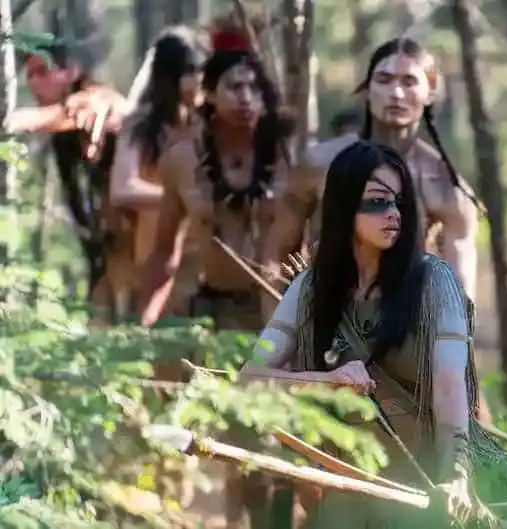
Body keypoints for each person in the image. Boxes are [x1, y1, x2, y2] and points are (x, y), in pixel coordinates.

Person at [241, 140, 507, 529]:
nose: (393, 213)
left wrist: (456, 477)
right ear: (344, 206)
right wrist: (326, 381)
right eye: (377, 202)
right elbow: (250, 379)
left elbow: (449, 386)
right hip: (356, 490)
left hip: (439, 487)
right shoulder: (309, 289)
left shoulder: (435, 282)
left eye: (399, 202)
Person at [263, 37, 494, 424]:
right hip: (321, 328)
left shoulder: (447, 187)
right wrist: (282, 335)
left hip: (402, 341)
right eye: (384, 80)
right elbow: (274, 255)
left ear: (431, 90)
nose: (396, 93)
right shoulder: (319, 164)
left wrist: (455, 375)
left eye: (409, 81)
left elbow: (459, 296)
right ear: (366, 89)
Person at [136, 12, 294, 529]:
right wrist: (143, 324)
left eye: (254, 87)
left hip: (282, 315)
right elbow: (163, 251)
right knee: (231, 441)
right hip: (215, 313)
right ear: (208, 93)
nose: (246, 97)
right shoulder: (182, 160)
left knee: (272, 449)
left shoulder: (293, 157)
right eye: (234, 87)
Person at [7, 40, 129, 324]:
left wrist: (14, 121)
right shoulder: (64, 135)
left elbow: (77, 110)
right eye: (30, 74)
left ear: (70, 71)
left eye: (42, 71)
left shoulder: (97, 99)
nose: (33, 82)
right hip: (105, 240)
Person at [110, 25, 208, 333]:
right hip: (157, 263)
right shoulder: (141, 124)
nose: (200, 80)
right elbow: (122, 188)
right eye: (191, 71)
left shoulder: (211, 124)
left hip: (208, 265)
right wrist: (179, 199)